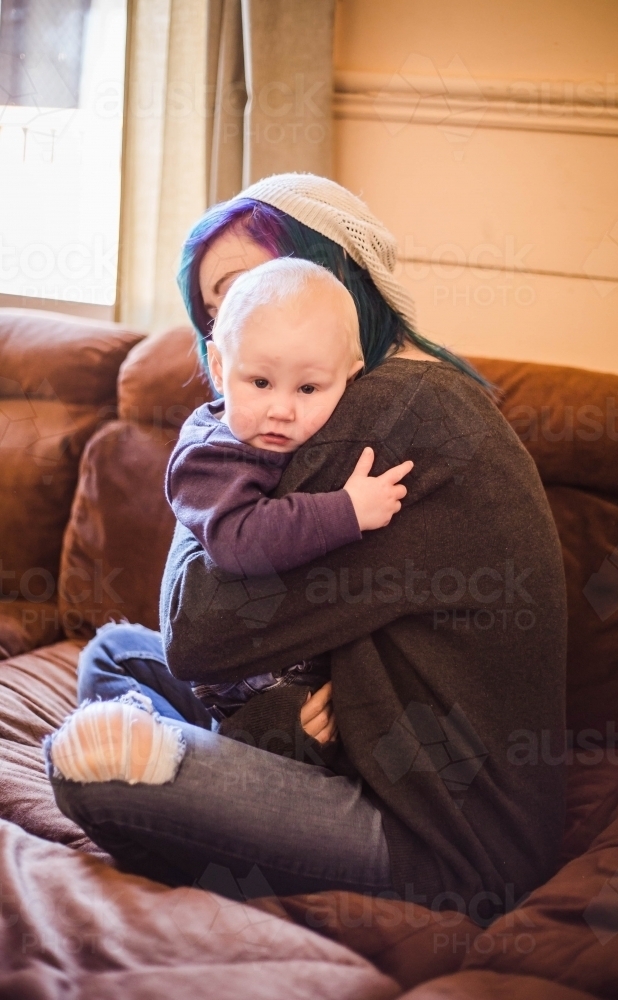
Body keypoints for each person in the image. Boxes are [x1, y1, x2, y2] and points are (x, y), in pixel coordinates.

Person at [47, 173, 567, 919]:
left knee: (88, 771)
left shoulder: (390, 412)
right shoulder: (364, 399)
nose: (241, 316)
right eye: (216, 311)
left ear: (331, 276)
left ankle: (216, 768)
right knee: (119, 651)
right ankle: (240, 751)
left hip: (436, 840)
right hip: (338, 745)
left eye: (251, 282)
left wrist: (207, 442)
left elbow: (197, 633)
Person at [167, 257, 413, 722]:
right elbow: (241, 540)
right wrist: (347, 511)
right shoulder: (209, 458)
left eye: (308, 388)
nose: (281, 409)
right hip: (242, 680)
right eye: (259, 382)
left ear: (350, 381)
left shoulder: (323, 430)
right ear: (219, 368)